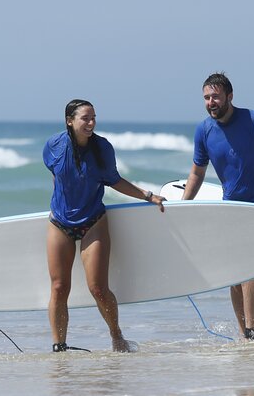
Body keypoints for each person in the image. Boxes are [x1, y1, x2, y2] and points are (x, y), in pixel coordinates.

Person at [43, 98, 166, 353]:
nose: (91, 123)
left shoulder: (102, 148)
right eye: (85, 118)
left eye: (93, 118)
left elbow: (115, 181)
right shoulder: (53, 146)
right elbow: (57, 176)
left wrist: (148, 195)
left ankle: (116, 335)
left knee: (98, 288)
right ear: (69, 120)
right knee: (58, 286)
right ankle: (59, 346)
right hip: (59, 223)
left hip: (93, 222)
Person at [182, 72, 254, 341]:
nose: (211, 102)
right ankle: (245, 333)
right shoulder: (204, 131)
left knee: (247, 271)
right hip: (231, 210)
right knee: (234, 275)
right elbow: (197, 173)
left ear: (229, 96)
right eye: (206, 98)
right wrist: (183, 208)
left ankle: (253, 332)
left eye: (216, 97)